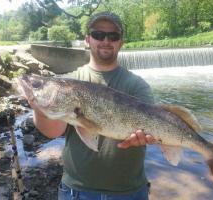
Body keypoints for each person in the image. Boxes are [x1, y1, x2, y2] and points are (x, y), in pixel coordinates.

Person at [29, 12, 155, 200]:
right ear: (87, 39)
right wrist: (38, 106)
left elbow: (153, 126)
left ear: (121, 42)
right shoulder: (70, 82)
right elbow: (53, 132)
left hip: (129, 192)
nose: (105, 40)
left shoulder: (137, 85)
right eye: (98, 35)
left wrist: (148, 137)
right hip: (77, 191)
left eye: (113, 36)